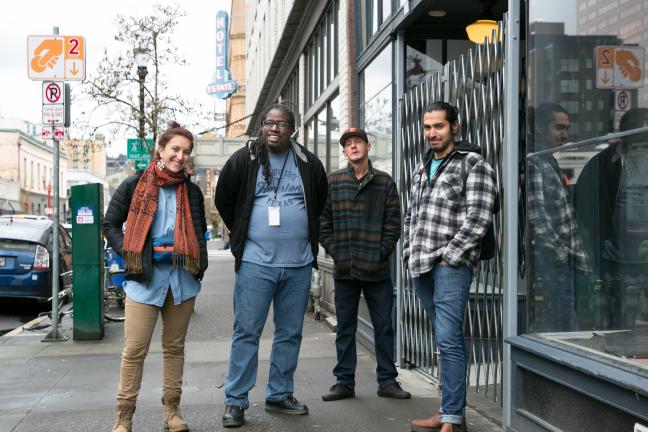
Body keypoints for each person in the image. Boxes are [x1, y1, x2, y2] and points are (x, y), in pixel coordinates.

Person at [214, 104, 327, 428]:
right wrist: (244, 232)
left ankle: (279, 394)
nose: (274, 128)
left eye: (281, 124)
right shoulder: (244, 159)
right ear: (262, 127)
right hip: (255, 263)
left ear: (293, 129)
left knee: (290, 333)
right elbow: (225, 199)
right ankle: (236, 401)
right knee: (247, 332)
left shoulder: (307, 161)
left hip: (299, 263)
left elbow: (319, 200)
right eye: (269, 123)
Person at [103, 122, 208, 432]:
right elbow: (110, 224)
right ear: (161, 150)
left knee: (174, 349)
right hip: (143, 280)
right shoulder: (135, 185)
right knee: (134, 351)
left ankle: (172, 413)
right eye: (175, 149)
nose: (180, 156)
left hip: (182, 281)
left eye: (186, 151)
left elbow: (199, 232)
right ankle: (123, 417)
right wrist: (131, 252)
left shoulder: (191, 190)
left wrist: (199, 264)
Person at [405, 102, 496, 432]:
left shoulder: (472, 163)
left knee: (449, 338)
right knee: (444, 340)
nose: (432, 133)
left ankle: (453, 419)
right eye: (427, 127)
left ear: (454, 127)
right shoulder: (422, 165)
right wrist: (408, 250)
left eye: (438, 126)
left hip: (450, 266)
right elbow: (410, 215)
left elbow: (479, 217)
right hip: (420, 265)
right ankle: (447, 411)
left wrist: (451, 256)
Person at [319, 128, 411, 402]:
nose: (354, 147)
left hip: (377, 269)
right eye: (348, 144)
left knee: (383, 326)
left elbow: (394, 223)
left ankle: (387, 381)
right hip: (345, 269)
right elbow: (323, 223)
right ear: (345, 151)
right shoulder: (333, 181)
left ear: (368, 146)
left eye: (358, 142)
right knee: (345, 327)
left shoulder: (384, 182)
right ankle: (344, 382)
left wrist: (380, 252)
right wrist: (336, 251)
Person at [575, 108, 648, 330]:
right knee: (619, 319)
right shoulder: (605, 163)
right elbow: (584, 205)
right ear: (625, 132)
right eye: (641, 127)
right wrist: (603, 239)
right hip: (617, 258)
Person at [527, 103, 589, 332]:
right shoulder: (535, 164)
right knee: (563, 327)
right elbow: (537, 216)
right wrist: (561, 253)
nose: (564, 134)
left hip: (560, 260)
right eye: (558, 127)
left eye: (567, 128)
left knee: (565, 321)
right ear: (542, 128)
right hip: (552, 262)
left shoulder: (549, 161)